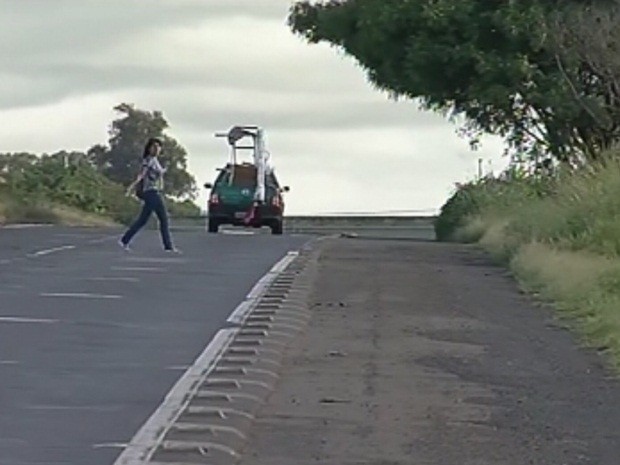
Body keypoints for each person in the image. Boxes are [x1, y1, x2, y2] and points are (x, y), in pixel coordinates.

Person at [118, 137, 179, 253]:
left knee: (143, 219)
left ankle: (125, 240)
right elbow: (142, 174)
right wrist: (132, 186)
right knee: (163, 219)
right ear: (149, 148)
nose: (156, 149)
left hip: (156, 191)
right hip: (151, 192)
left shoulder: (155, 161)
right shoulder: (148, 160)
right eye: (153, 147)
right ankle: (168, 246)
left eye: (158, 147)